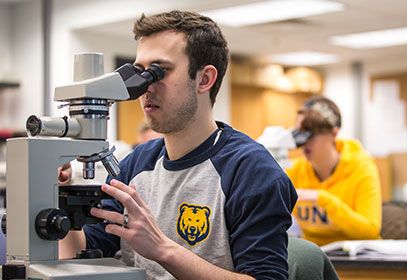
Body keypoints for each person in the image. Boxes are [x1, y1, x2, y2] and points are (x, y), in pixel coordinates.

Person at [60, 10, 297, 280]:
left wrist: (162, 249)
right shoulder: (138, 163)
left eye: (158, 72)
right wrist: (63, 199)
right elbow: (85, 253)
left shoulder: (250, 171)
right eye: (139, 72)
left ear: (205, 79)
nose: (145, 87)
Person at [285, 96, 382, 246]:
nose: (304, 142)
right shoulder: (295, 170)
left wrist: (322, 199)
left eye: (311, 133)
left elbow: (370, 230)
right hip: (315, 255)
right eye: (300, 133)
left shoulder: (362, 167)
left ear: (334, 134)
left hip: (357, 258)